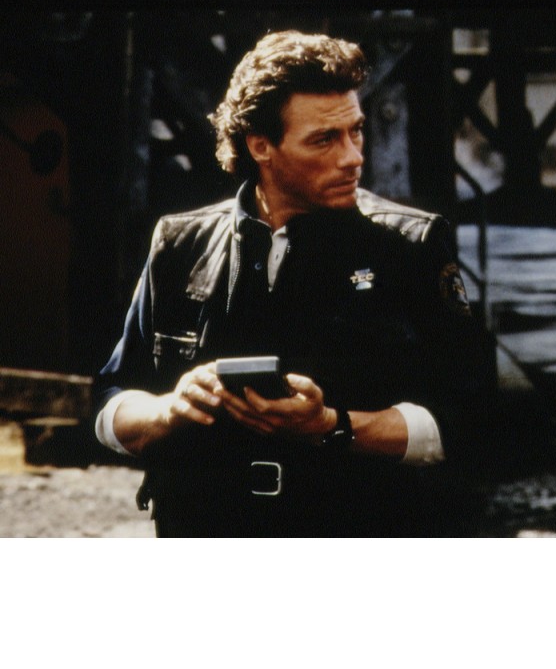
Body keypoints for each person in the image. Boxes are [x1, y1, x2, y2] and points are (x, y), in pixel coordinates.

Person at [94, 30, 494, 537]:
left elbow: (470, 421)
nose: (352, 157)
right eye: (324, 139)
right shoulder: (180, 244)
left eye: (356, 131)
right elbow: (110, 403)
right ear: (260, 145)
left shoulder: (410, 246)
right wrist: (168, 409)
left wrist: (333, 425)